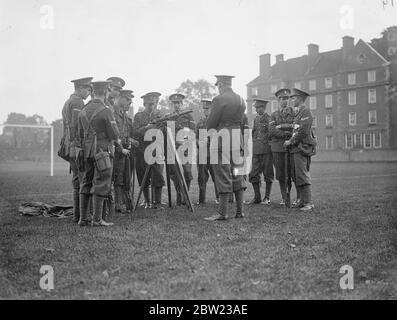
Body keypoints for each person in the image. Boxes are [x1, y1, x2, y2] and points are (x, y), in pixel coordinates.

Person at [77, 81, 122, 227]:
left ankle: (83, 219)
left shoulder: (83, 109)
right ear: (106, 92)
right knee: (102, 181)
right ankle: (97, 219)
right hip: (102, 150)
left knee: (86, 181)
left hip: (86, 151)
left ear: (92, 92)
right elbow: (114, 134)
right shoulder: (106, 110)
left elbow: (79, 134)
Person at [204, 75, 246, 221]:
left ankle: (223, 213)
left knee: (222, 173)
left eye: (218, 86)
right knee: (237, 173)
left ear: (221, 84)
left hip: (222, 138)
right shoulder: (241, 100)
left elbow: (211, 123)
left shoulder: (219, 100)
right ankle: (240, 211)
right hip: (237, 138)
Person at [61, 77, 93, 223]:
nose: (89, 93)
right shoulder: (77, 102)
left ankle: (77, 215)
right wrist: (81, 145)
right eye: (87, 89)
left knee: (76, 180)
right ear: (80, 88)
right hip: (76, 146)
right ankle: (82, 216)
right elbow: (77, 125)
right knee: (83, 179)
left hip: (69, 146)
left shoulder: (68, 102)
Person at [284, 88, 316, 212]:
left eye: (294, 98)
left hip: (302, 148)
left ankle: (308, 203)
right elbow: (295, 129)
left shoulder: (306, 112)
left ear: (300, 99)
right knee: (297, 176)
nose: (292, 100)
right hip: (296, 148)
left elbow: (302, 131)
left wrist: (290, 141)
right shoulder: (298, 113)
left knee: (302, 175)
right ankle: (302, 201)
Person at [131, 92, 165, 209]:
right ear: (144, 104)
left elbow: (164, 131)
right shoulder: (138, 116)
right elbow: (134, 132)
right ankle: (147, 201)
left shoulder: (160, 116)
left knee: (158, 176)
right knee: (142, 177)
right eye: (149, 104)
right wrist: (146, 127)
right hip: (142, 150)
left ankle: (157, 202)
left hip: (156, 150)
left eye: (153, 103)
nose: (151, 106)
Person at [167, 93, 196, 205]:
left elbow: (193, 131)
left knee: (187, 172)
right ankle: (179, 194)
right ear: (171, 104)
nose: (176, 105)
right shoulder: (169, 117)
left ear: (182, 103)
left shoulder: (188, 116)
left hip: (186, 149)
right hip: (173, 149)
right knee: (174, 173)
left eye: (178, 103)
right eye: (174, 103)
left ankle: (186, 194)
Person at [269, 88, 295, 206]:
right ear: (278, 100)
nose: (284, 101)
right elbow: (271, 131)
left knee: (291, 172)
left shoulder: (294, 113)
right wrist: (286, 133)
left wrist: (281, 126)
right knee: (280, 173)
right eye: (282, 99)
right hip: (277, 148)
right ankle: (284, 197)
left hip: (290, 147)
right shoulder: (273, 115)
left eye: (286, 98)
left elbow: (295, 128)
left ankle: (293, 197)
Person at [112, 89, 135, 213]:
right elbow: (113, 136)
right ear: (119, 98)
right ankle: (118, 205)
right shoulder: (112, 114)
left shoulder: (125, 116)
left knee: (125, 178)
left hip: (125, 152)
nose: (129, 102)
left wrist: (130, 142)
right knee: (118, 179)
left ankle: (125, 204)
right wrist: (121, 150)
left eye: (130, 100)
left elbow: (126, 134)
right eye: (127, 99)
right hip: (116, 152)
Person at [248, 98, 274, 205]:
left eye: (259, 107)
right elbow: (253, 133)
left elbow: (271, 133)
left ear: (263, 108)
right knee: (253, 173)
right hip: (256, 150)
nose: (257, 110)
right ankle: (257, 197)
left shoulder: (269, 118)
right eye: (256, 108)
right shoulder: (256, 119)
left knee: (268, 174)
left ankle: (267, 197)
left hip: (266, 151)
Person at [196, 98, 219, 205]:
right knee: (202, 177)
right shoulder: (200, 122)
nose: (205, 111)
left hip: (214, 153)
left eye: (207, 109)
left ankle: (219, 198)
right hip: (202, 154)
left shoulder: (216, 121)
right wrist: (198, 142)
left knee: (216, 176)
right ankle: (202, 200)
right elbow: (195, 137)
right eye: (204, 108)